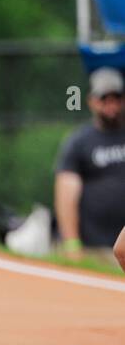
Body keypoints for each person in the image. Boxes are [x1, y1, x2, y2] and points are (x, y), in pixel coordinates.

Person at [54, 67, 125, 254]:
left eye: (116, 98)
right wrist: (71, 242)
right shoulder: (80, 141)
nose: (112, 106)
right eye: (104, 99)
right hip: (94, 247)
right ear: (92, 101)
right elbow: (66, 194)